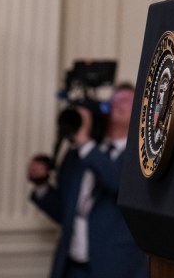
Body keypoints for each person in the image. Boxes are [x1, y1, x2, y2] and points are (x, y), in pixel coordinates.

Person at [27, 84, 146, 278]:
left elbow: (117, 183)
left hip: (117, 269)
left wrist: (85, 142)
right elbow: (65, 212)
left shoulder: (142, 157)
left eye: (124, 100)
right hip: (72, 267)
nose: (116, 104)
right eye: (112, 100)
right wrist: (41, 186)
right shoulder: (77, 155)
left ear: (141, 110)